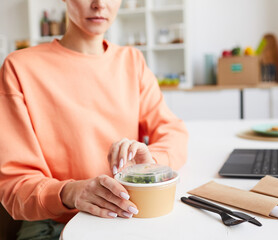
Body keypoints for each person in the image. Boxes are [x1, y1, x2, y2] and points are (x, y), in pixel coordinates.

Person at [0, 0, 188, 239]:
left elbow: (173, 132)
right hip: (56, 226)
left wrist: (149, 165)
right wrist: (70, 192)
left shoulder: (132, 61)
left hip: (129, 219)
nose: (99, 4)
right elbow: (15, 187)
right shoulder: (19, 68)